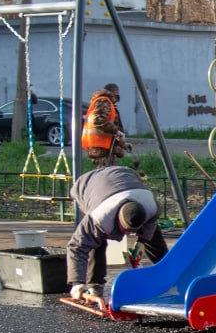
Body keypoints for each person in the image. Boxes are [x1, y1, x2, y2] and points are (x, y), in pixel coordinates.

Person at [66, 165, 168, 299]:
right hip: (87, 185)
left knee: (154, 236)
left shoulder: (151, 207)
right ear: (118, 219)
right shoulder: (99, 217)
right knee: (95, 240)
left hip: (124, 175)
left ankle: (169, 274)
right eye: (125, 230)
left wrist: (142, 241)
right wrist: (77, 282)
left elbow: (151, 223)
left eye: (133, 231)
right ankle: (94, 284)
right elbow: (77, 246)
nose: (127, 234)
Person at [82, 82, 130, 168]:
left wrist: (123, 143)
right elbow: (99, 122)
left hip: (105, 148)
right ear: (115, 93)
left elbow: (112, 132)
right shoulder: (104, 101)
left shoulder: (106, 103)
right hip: (101, 148)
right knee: (105, 177)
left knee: (109, 176)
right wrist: (117, 131)